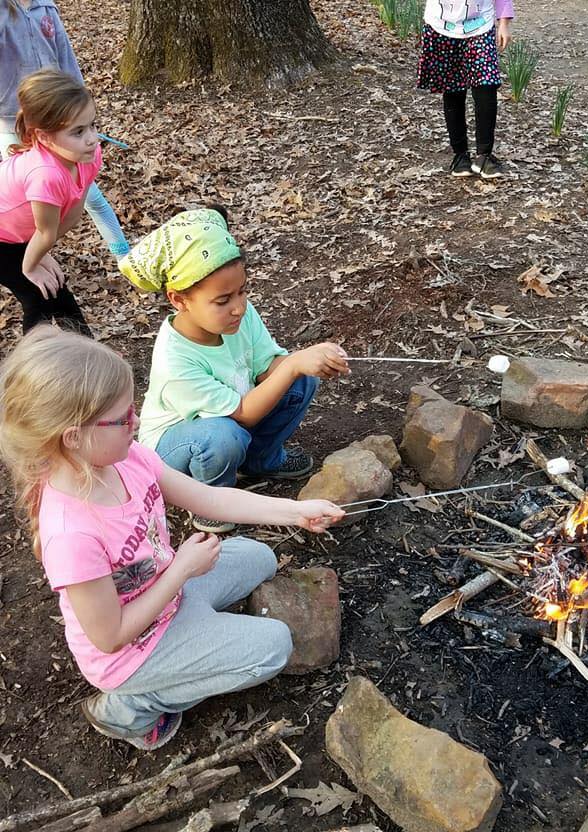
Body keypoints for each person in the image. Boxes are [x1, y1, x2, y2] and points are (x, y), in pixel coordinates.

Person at [0, 327, 344, 751]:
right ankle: (129, 709)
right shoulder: (71, 534)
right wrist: (182, 569)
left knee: (260, 558)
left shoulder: (128, 459)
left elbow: (209, 498)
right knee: (273, 648)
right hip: (133, 651)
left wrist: (295, 513)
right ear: (74, 437)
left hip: (169, 587)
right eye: (123, 417)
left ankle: (197, 626)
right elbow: (111, 636)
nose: (138, 421)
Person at [121, 207, 351, 534]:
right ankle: (212, 498)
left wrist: (312, 359)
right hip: (178, 450)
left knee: (301, 380)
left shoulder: (238, 317)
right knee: (223, 436)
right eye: (223, 299)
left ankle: (262, 460)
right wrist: (295, 364)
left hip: (232, 423)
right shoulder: (176, 359)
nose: (239, 306)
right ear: (179, 300)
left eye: (242, 291)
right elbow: (243, 414)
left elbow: (268, 368)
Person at [0, 0, 129, 257]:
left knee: (91, 197)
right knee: (26, 199)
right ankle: (31, 257)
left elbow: (64, 55)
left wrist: (78, 107)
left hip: (59, 119)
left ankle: (125, 257)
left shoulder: (45, 7)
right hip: (10, 119)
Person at [0, 69, 103, 335]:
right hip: (2, 239)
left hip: (19, 235)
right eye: (78, 131)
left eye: (93, 125)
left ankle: (89, 360)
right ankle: (29, 373)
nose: (91, 138)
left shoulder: (87, 156)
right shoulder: (44, 175)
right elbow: (46, 232)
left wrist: (39, 253)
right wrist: (31, 265)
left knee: (57, 292)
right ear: (44, 137)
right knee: (38, 297)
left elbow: (71, 215)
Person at [417, 0, 514, 178]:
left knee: (487, 85)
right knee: (453, 89)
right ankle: (460, 156)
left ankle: (484, 156)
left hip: (480, 24)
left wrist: (504, 23)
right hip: (441, 24)